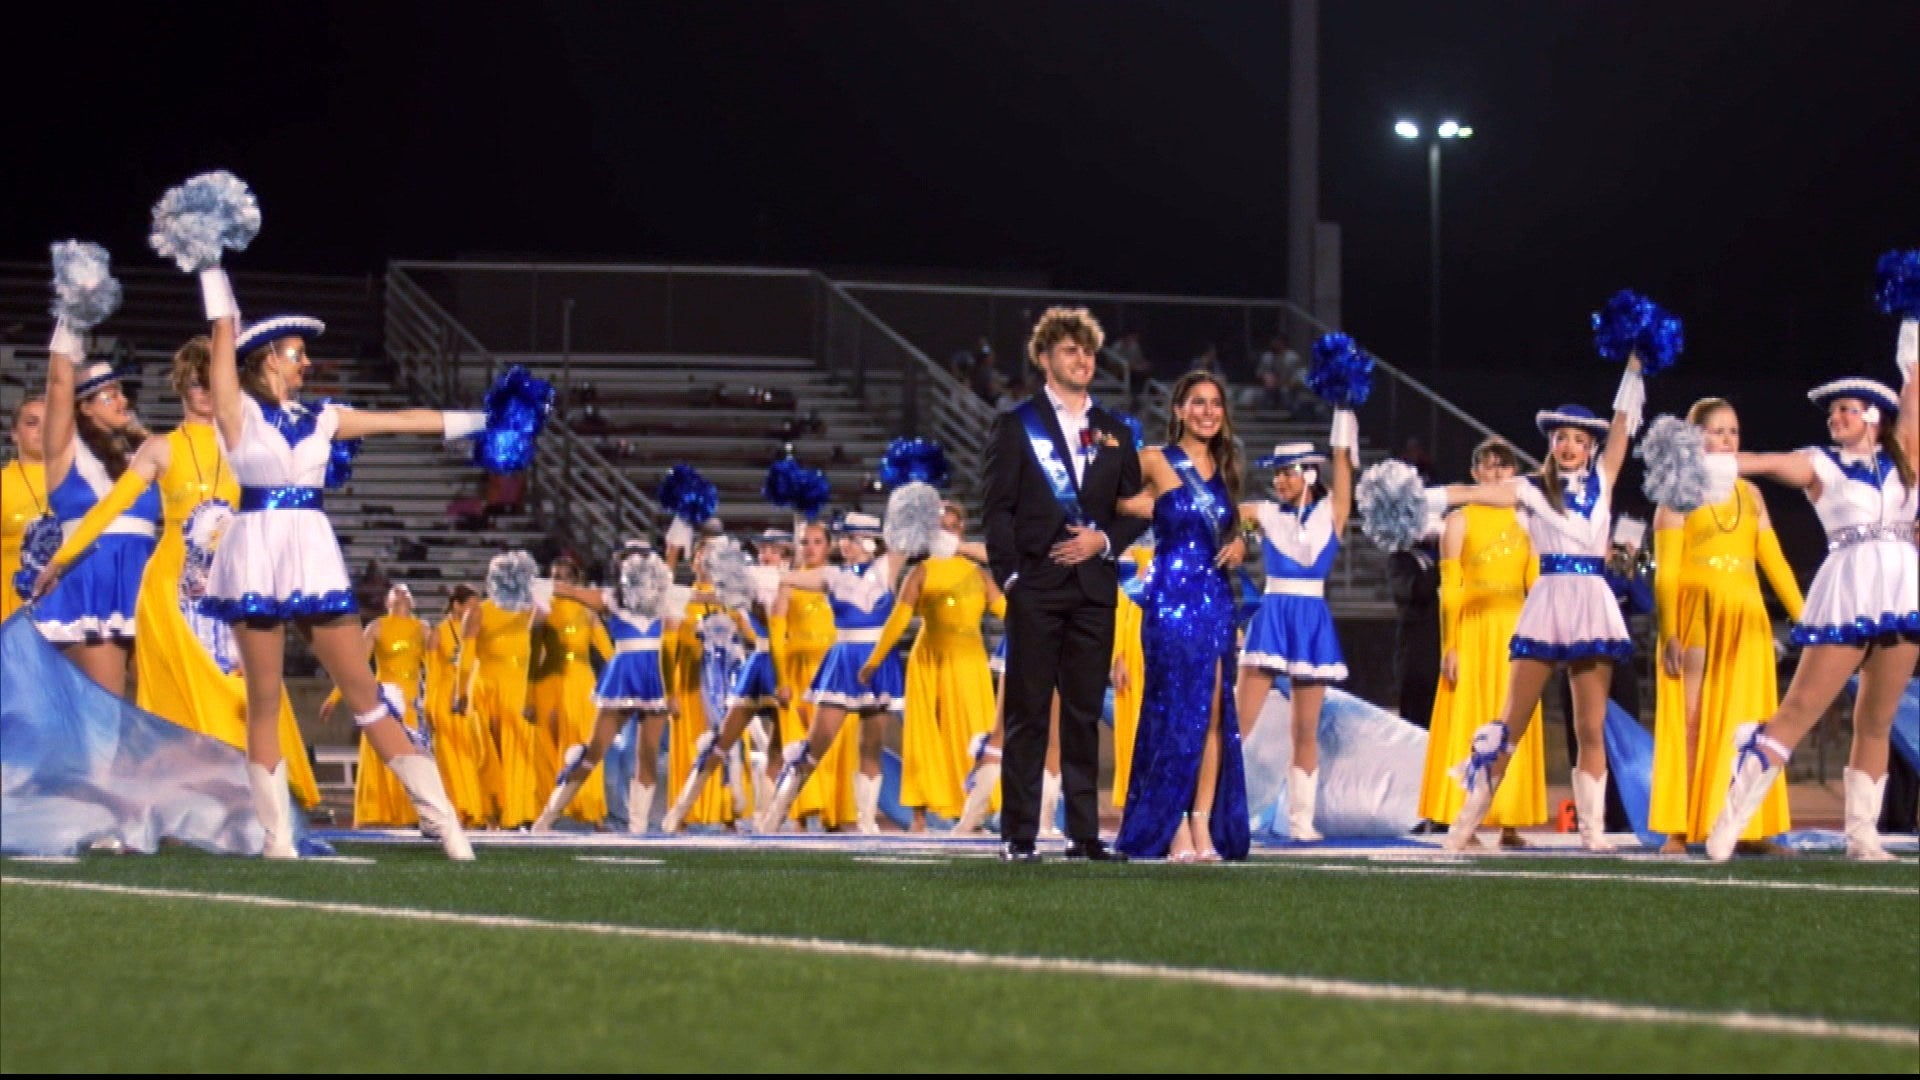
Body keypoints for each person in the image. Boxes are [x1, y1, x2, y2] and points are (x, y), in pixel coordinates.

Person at [189, 266, 475, 859]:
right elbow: (222, 333)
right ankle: (276, 838)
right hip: (256, 549)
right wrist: (211, 264)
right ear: (269, 359)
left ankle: (443, 821)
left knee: (366, 693)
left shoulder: (323, 418)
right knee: (265, 697)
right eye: (297, 353)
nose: (307, 363)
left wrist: (480, 421)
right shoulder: (235, 411)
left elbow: (401, 422)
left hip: (311, 551)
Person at [38, 337, 320, 809]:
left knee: (244, 689)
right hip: (171, 591)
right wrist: (61, 560)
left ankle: (255, 794)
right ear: (181, 388)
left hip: (236, 584)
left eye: (214, 380)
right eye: (195, 382)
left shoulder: (254, 441)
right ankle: (180, 801)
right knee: (183, 695)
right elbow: (108, 509)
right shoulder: (160, 447)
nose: (206, 390)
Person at [1426, 357, 1647, 853]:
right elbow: (1474, 491)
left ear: (1589, 448)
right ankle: (1465, 825)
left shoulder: (1604, 481)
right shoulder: (1529, 489)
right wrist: (1424, 496)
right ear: (1550, 444)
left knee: (1589, 724)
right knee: (1510, 721)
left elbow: (1623, 430)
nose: (1568, 446)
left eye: (1577, 439)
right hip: (1547, 601)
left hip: (1591, 601)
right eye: (1560, 438)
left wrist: (1633, 371)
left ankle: (1592, 831)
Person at [1705, 371, 1917, 862]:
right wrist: (1705, 460)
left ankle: (1862, 838)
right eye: (1832, 411)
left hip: (1903, 591)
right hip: (1848, 590)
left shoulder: (1906, 460)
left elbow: (1914, 390)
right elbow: (1762, 463)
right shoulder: (1820, 463)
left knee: (1876, 722)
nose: (1834, 417)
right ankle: (1730, 823)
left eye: (1845, 408)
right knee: (1798, 711)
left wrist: (1911, 322)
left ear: (1872, 415)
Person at [982, 306, 1148, 861]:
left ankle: (1083, 834)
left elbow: (1133, 510)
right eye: (1072, 350)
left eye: (1089, 351)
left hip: (1095, 591)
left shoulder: (1117, 432)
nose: (1084, 359)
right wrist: (1010, 579)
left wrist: (1104, 542)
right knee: (1027, 715)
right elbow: (997, 510)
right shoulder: (1017, 424)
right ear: (1046, 358)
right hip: (1035, 588)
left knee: (1081, 713)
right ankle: (1019, 834)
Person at [1646, 399, 1804, 855]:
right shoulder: (1675, 494)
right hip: (1696, 617)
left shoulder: (1750, 494)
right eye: (1716, 431)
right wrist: (1671, 629)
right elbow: (1667, 574)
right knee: (1690, 720)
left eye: (1733, 431)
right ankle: (1681, 827)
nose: (1727, 440)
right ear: (1693, 437)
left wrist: (1807, 618)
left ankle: (1749, 827)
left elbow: (1772, 560)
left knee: (1751, 721)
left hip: (1747, 617)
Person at [1113, 372, 1249, 861]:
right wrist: (1147, 509)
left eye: (1215, 403)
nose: (1208, 412)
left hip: (1214, 598)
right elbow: (1107, 498)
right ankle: (1168, 825)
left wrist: (1241, 545)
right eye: (1197, 403)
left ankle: (1201, 823)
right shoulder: (1153, 459)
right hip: (1169, 597)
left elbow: (1233, 528)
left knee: (1213, 714)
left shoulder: (1226, 466)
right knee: (1174, 712)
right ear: (1178, 410)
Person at [1418, 438, 1548, 846]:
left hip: (1517, 628)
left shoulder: (1529, 519)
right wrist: (1450, 645)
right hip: (1473, 630)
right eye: (1488, 467)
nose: (1496, 474)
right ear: (1475, 474)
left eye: (1504, 467)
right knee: (1471, 718)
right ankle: (1465, 817)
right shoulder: (1459, 520)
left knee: (1515, 718)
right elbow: (1450, 588)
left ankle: (1510, 819)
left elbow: (1537, 582)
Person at [756, 514, 908, 833]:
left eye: (851, 538)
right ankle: (774, 818)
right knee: (816, 744)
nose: (844, 544)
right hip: (844, 660)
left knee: (871, 746)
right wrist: (756, 575)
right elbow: (788, 579)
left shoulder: (887, 568)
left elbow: (911, 535)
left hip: (878, 661)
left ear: (868, 540)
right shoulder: (832, 575)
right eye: (843, 538)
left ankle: (866, 823)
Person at [859, 501, 1004, 830]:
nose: (947, 531)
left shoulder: (979, 573)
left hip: (969, 662)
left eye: (953, 526)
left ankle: (972, 811)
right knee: (925, 736)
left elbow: (1007, 610)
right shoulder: (920, 570)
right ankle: (920, 816)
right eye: (941, 526)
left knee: (973, 732)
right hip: (928, 660)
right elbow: (899, 619)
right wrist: (874, 660)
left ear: (962, 531)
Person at [33, 328, 155, 694]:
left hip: (148, 580)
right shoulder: (67, 452)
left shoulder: (143, 456)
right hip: (96, 580)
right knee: (106, 712)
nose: (122, 402)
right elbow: (58, 384)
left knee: (165, 707)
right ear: (83, 406)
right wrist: (70, 317)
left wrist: (137, 430)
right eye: (110, 395)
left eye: (123, 394)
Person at [532, 547, 679, 833]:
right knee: (593, 752)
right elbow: (570, 592)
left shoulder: (664, 599)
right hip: (623, 676)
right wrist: (533, 583)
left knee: (647, 754)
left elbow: (699, 596)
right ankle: (547, 818)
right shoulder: (611, 599)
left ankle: (637, 827)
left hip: (654, 678)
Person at [321, 584, 428, 828]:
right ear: (387, 600)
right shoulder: (377, 627)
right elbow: (356, 665)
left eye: (407, 590)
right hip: (384, 700)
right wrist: (334, 697)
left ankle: (413, 812)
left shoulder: (422, 628)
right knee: (384, 753)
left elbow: (434, 666)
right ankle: (380, 812)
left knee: (412, 754)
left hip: (411, 701)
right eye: (396, 590)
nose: (402, 592)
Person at [528, 555, 614, 827]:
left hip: (581, 683)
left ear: (575, 580)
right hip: (548, 684)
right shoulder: (542, 608)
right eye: (555, 576)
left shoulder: (588, 610)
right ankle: (548, 812)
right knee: (547, 748)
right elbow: (532, 656)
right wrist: (527, 697)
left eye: (565, 576)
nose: (559, 581)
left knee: (587, 744)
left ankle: (592, 811)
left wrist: (619, 682)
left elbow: (608, 652)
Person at [424, 584, 492, 826]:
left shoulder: (479, 629)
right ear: (457, 605)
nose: (476, 611)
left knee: (474, 755)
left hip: (471, 697)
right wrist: (429, 707)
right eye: (471, 606)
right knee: (452, 758)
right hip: (445, 698)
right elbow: (431, 674)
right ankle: (458, 809)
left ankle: (477, 808)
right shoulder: (439, 633)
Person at [2, 397, 48, 624]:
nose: (42, 430)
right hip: (10, 617)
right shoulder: (3, 484)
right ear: (14, 433)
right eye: (32, 423)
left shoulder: (82, 485)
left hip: (69, 620)